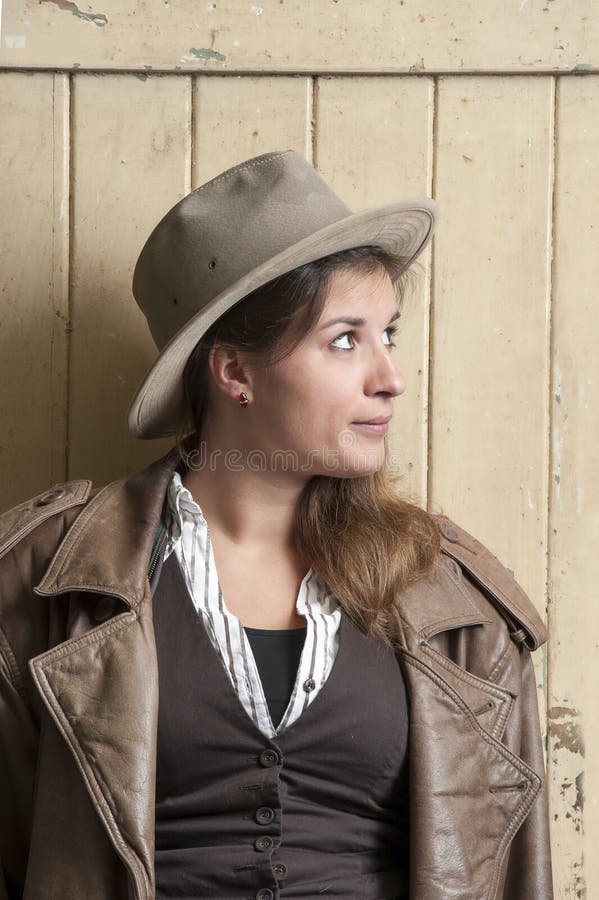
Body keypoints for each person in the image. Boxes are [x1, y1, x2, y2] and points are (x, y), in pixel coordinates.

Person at [0, 150, 553, 900]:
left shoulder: (452, 603)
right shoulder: (40, 581)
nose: (388, 377)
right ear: (234, 373)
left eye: (386, 335)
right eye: (345, 340)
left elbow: (513, 875)